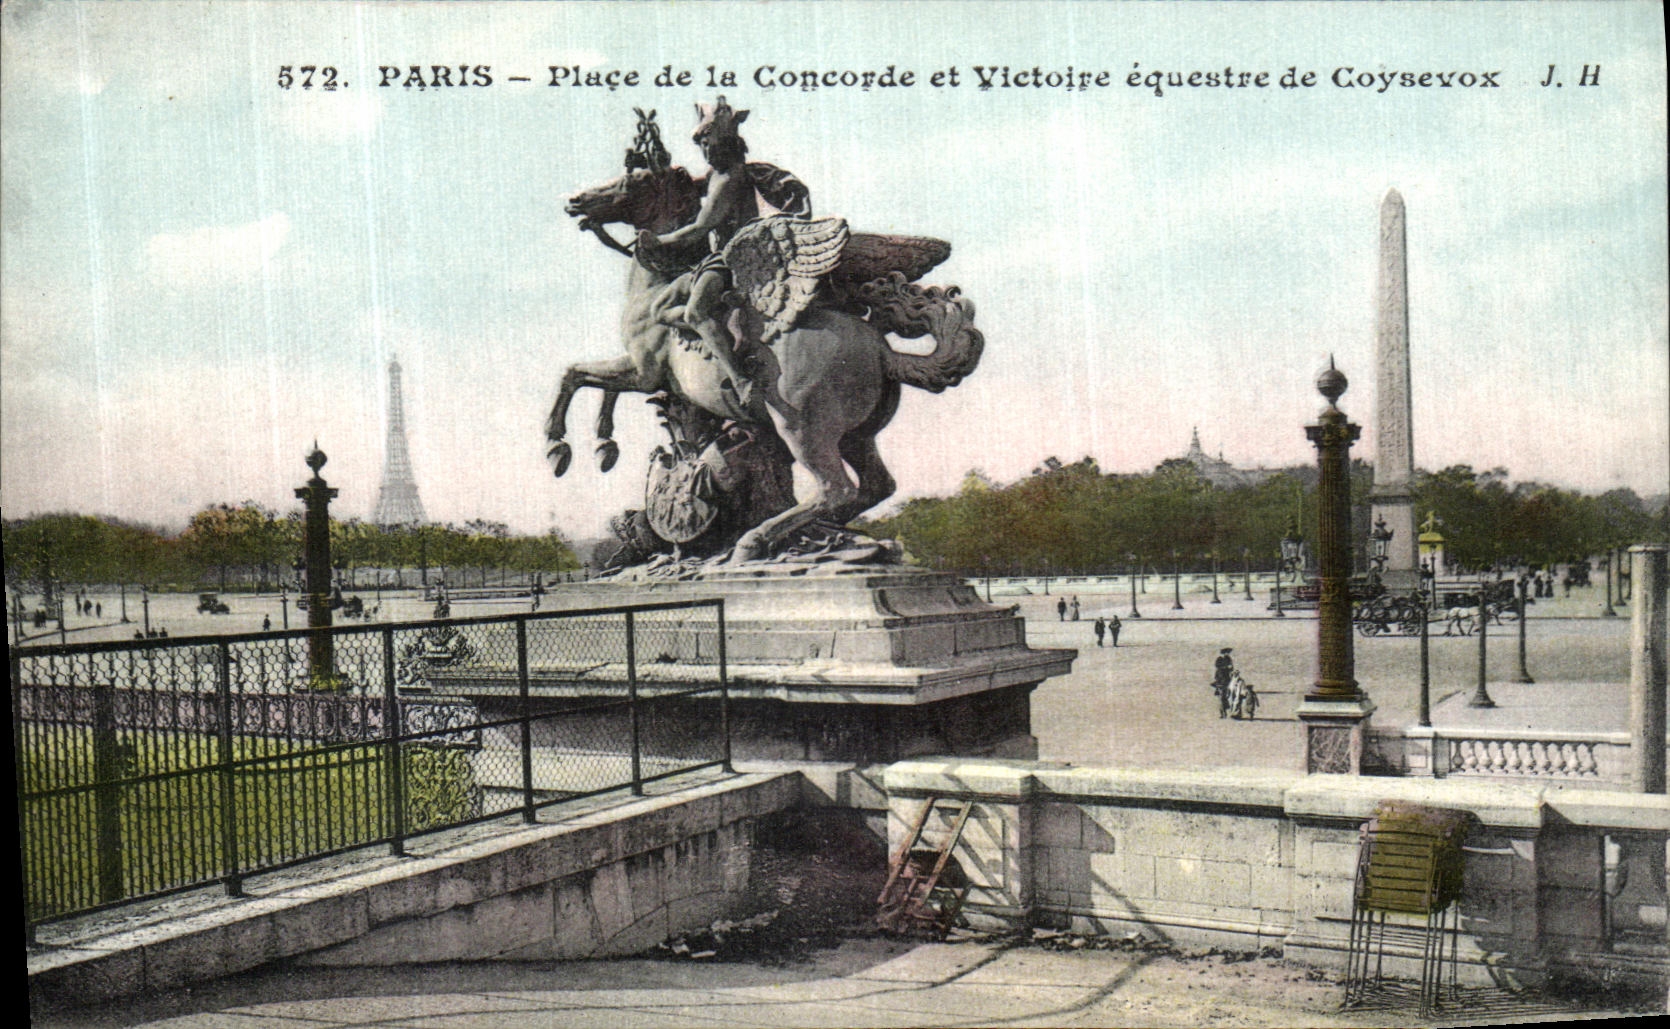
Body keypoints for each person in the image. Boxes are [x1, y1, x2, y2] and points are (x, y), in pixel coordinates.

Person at [637, 97, 793, 409]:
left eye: (709, 144)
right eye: (701, 146)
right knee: (658, 309)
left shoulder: (732, 178)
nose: (705, 152)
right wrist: (659, 168)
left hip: (730, 259)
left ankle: (739, 379)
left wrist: (659, 242)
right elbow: (685, 186)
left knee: (694, 312)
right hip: (713, 260)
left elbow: (700, 227)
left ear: (727, 144)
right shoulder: (715, 175)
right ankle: (719, 328)